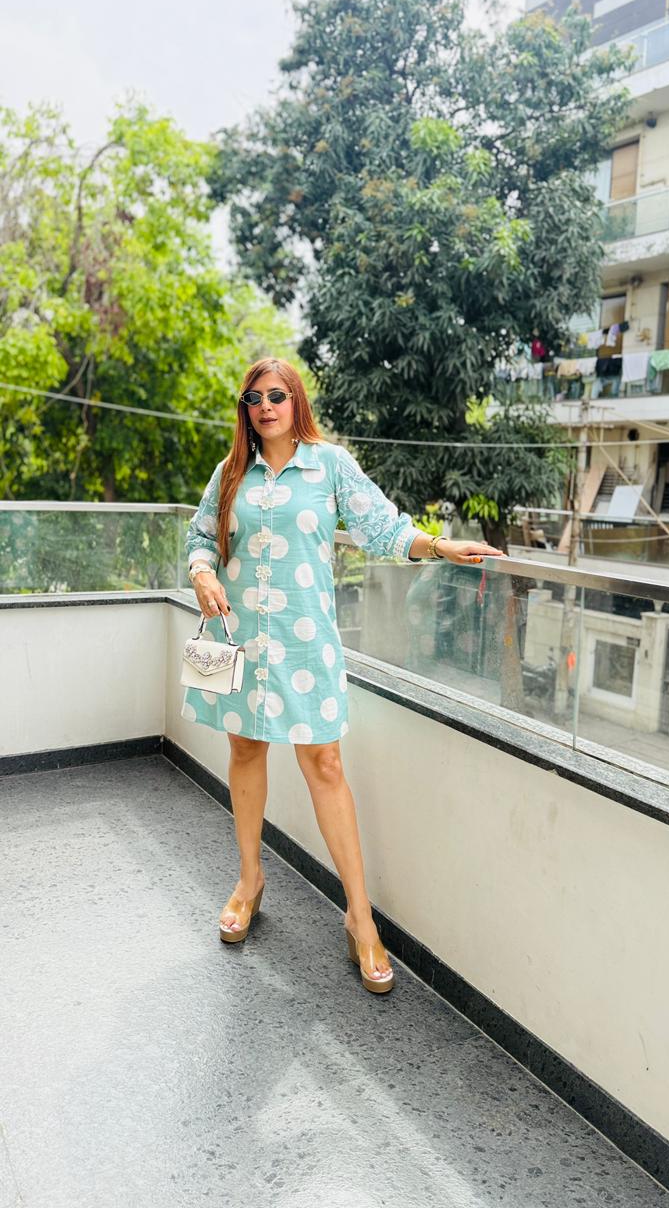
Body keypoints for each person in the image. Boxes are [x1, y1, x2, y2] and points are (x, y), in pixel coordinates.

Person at [184, 356, 505, 994]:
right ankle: (249, 881)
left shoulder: (329, 466)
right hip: (243, 640)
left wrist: (440, 546)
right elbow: (198, 538)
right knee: (246, 750)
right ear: (245, 409)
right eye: (254, 397)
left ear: (295, 401)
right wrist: (202, 573)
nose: (265, 405)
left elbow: (382, 529)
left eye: (277, 395)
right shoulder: (231, 474)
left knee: (324, 765)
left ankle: (360, 917)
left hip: (307, 649)